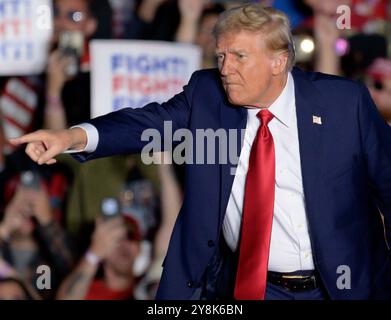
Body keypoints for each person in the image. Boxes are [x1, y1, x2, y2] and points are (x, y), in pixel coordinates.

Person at [9, 4, 391, 300]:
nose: (225, 69)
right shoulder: (208, 95)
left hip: (341, 285)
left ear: (279, 61)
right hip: (247, 288)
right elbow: (146, 124)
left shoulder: (344, 104)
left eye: (239, 56)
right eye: (221, 55)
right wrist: (72, 137)